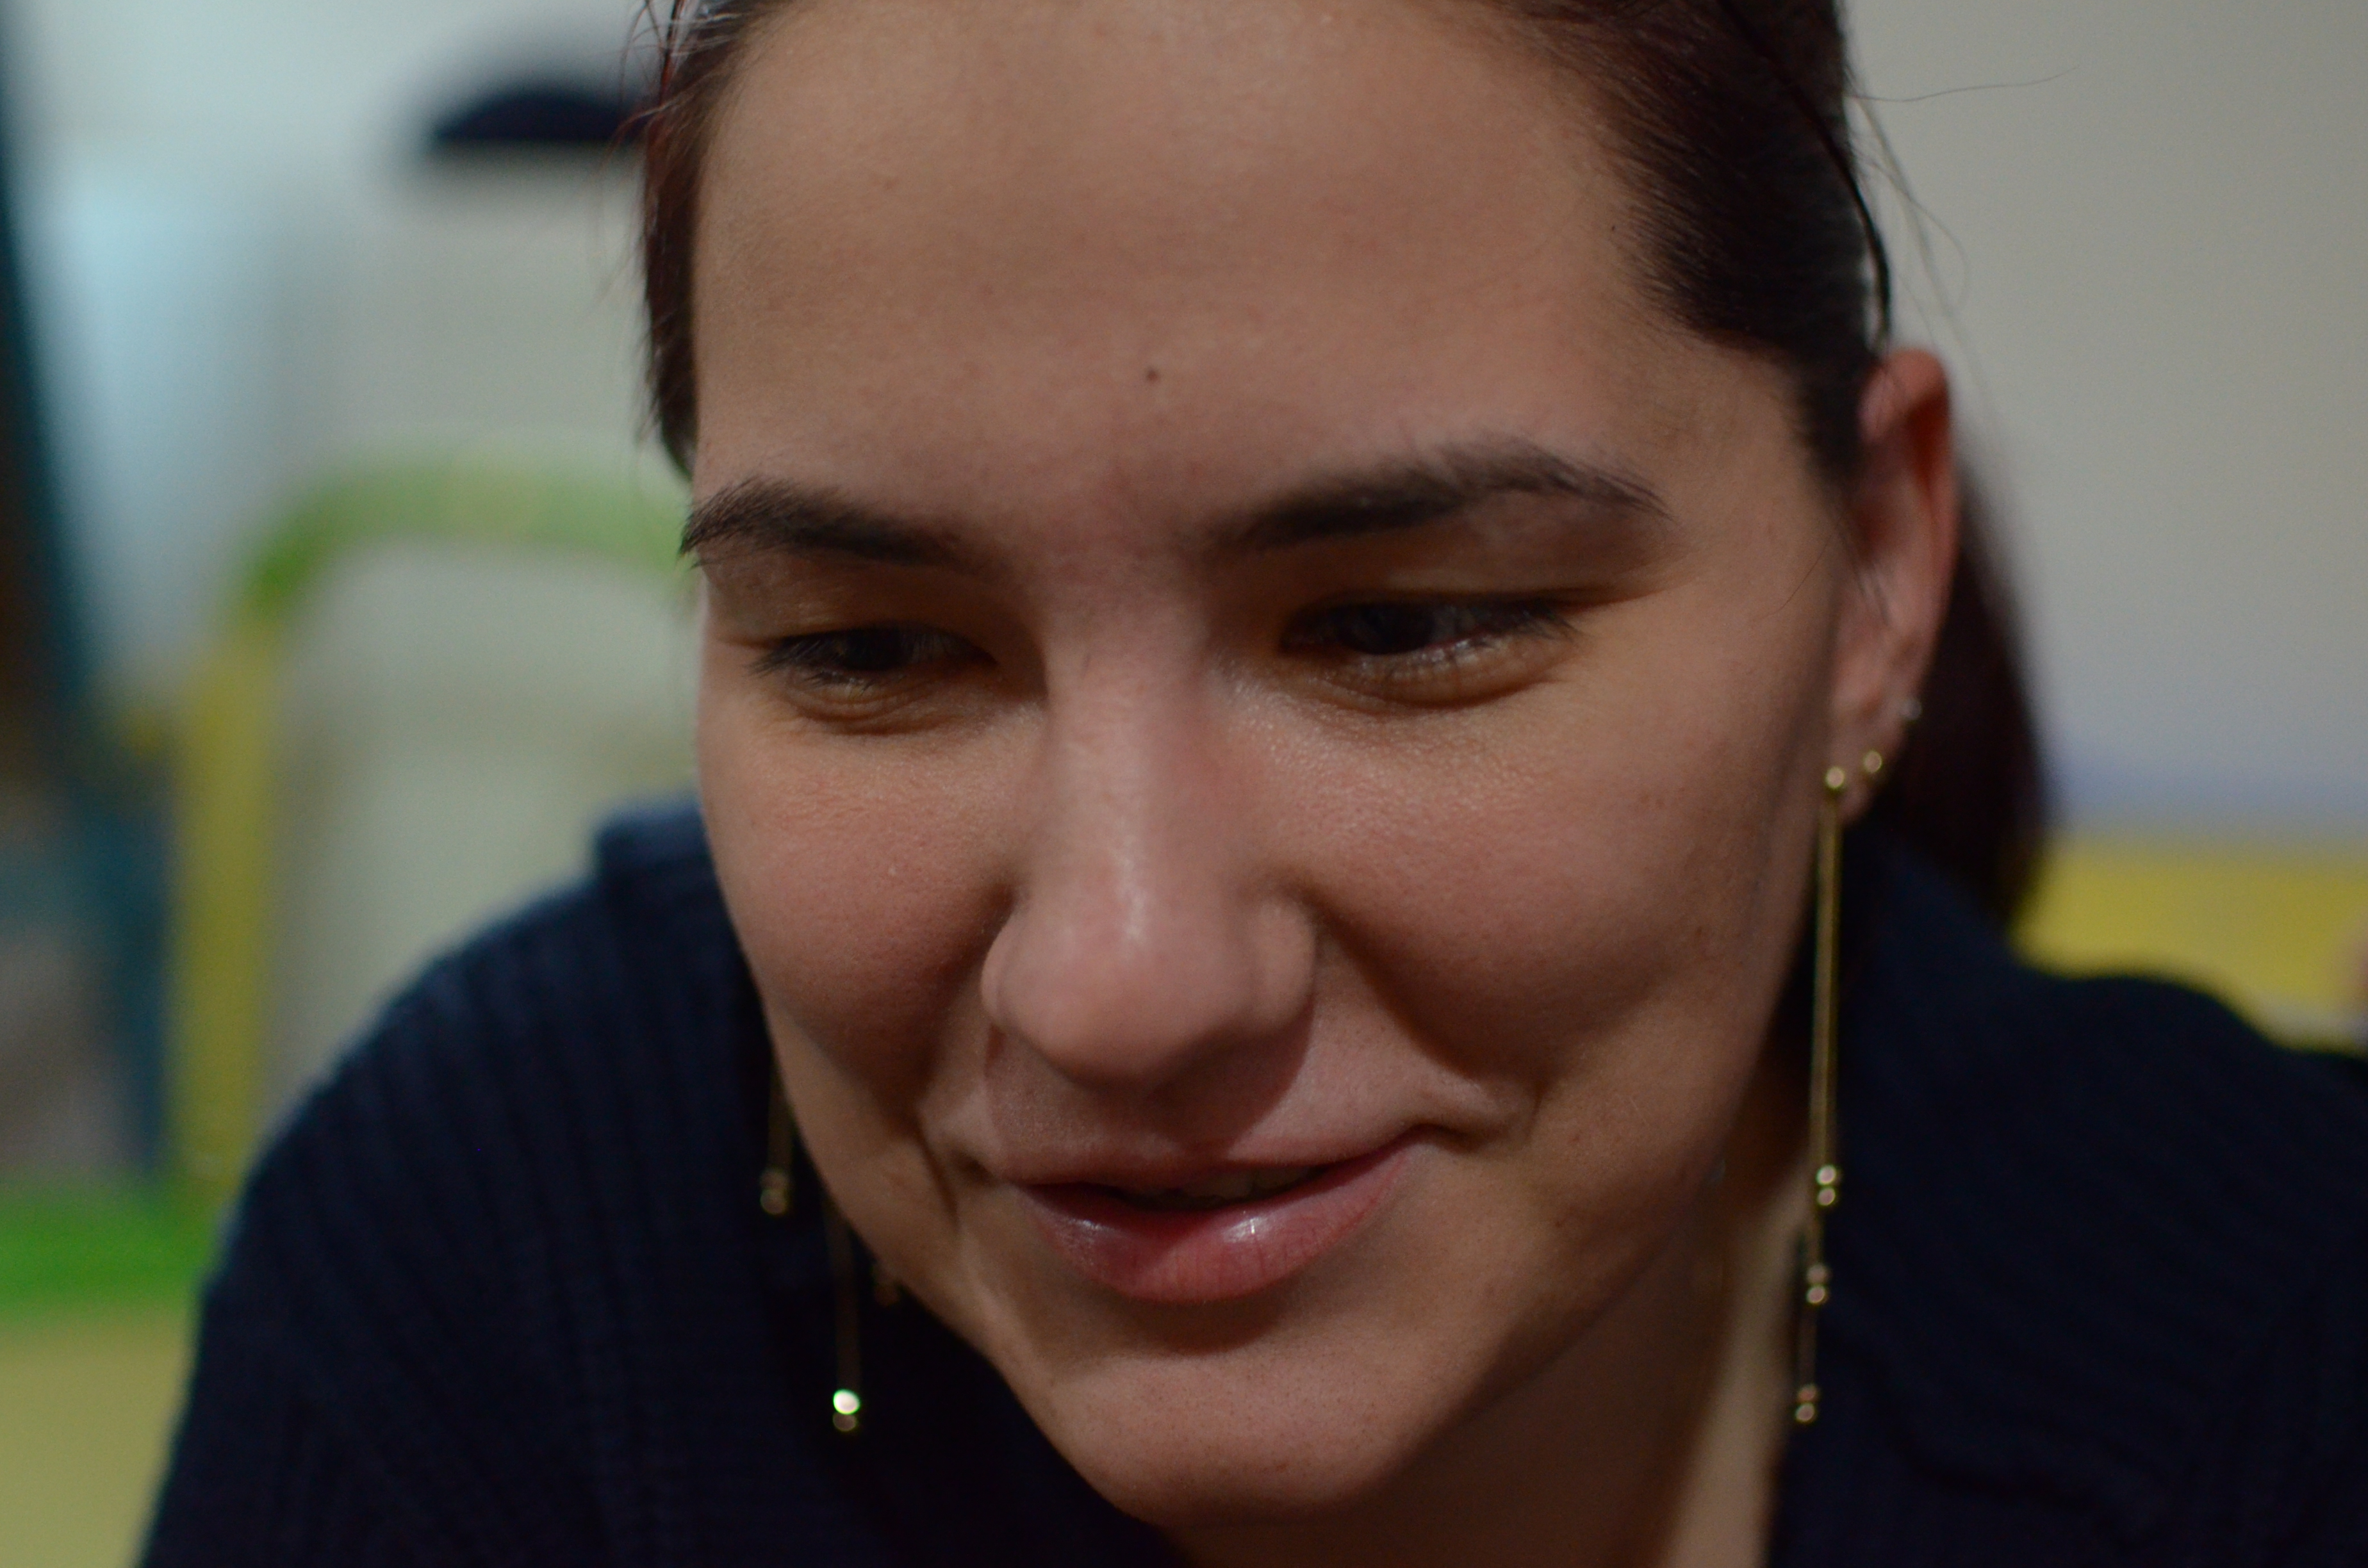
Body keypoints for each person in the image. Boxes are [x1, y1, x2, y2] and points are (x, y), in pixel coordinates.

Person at [145, 2, 2368, 1564]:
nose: (1119, 987)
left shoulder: (2282, 1380)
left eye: (1403, 628)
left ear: (1873, 574)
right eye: (872, 649)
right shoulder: (488, 1274)